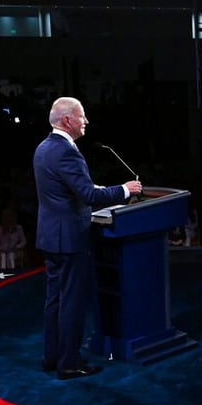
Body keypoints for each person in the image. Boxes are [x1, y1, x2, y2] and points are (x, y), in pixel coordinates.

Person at [33, 97, 143, 380]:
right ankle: (69, 363)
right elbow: (90, 196)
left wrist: (99, 187)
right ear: (68, 120)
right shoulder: (67, 152)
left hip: (50, 236)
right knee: (71, 301)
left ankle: (53, 357)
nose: (86, 122)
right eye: (82, 116)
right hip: (69, 238)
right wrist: (125, 190)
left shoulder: (43, 148)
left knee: (55, 299)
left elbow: (67, 189)